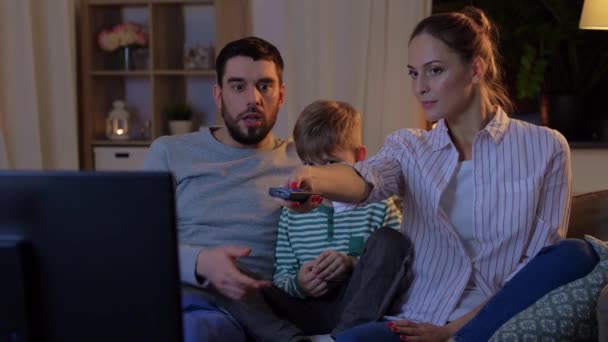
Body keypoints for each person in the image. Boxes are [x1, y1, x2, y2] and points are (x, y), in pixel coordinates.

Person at [283, 7, 599, 342]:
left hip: (495, 323)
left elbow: (535, 268)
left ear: (475, 69)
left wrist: (451, 332)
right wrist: (313, 179)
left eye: (434, 71)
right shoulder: (409, 146)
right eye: (412, 73)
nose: (420, 87)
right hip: (416, 322)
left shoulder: (546, 148)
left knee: (574, 254)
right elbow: (365, 179)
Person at [144, 36, 307, 342]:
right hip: (179, 293)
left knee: (198, 332)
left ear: (281, 95)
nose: (253, 99)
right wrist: (201, 262)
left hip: (250, 308)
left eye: (264, 85)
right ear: (218, 96)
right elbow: (141, 244)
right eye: (238, 86)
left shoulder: (304, 160)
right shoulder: (170, 152)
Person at [262, 100, 410, 337]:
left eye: (331, 163)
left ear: (360, 157)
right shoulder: (292, 213)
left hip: (356, 307)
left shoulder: (380, 206)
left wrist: (352, 264)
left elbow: (395, 269)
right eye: (310, 164)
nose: (319, 176)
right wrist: (300, 283)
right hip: (306, 310)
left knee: (390, 241)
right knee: (236, 284)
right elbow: (282, 278)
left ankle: (346, 335)